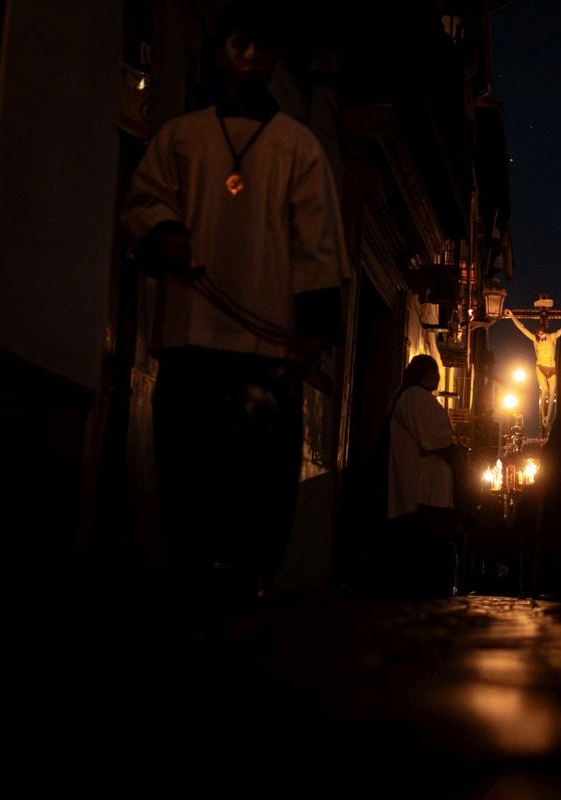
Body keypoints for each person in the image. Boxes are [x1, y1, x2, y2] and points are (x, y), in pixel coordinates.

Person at [121, 0, 345, 611]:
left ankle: (252, 585)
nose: (251, 56)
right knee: (187, 475)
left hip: (265, 351)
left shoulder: (299, 148)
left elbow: (318, 244)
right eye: (240, 42)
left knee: (259, 484)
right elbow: (144, 201)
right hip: (190, 339)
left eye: (263, 45)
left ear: (272, 59)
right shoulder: (180, 137)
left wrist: (312, 330)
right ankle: (192, 584)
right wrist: (164, 230)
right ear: (224, 51)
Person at [384, 354, 461, 597]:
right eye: (431, 371)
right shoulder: (415, 396)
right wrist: (457, 450)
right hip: (424, 485)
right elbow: (432, 439)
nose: (437, 376)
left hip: (429, 484)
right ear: (419, 374)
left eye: (437, 371)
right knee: (428, 540)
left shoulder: (419, 397)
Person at [504, 308, 561, 434]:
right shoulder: (536, 340)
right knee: (545, 391)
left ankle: (547, 418)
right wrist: (512, 316)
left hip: (551, 368)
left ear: (545, 332)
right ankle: (543, 416)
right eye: (539, 335)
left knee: (552, 393)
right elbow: (522, 328)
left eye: (542, 334)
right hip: (540, 367)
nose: (540, 337)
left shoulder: (552, 337)